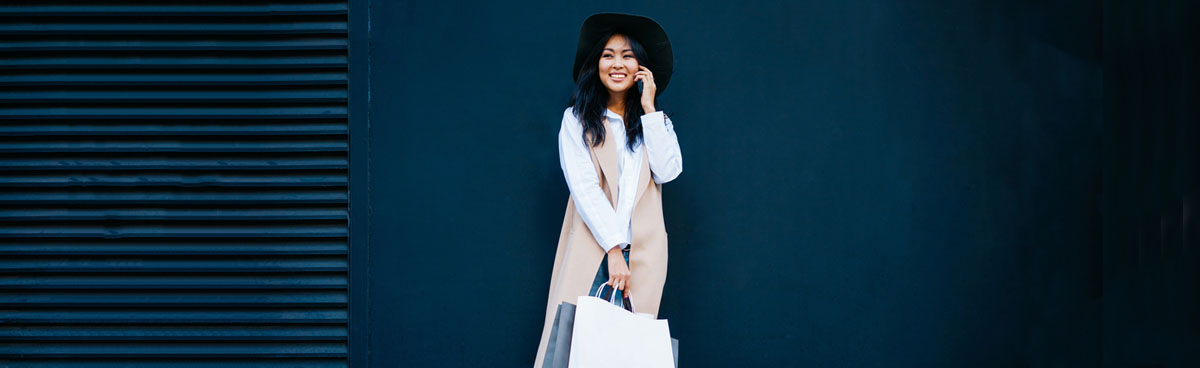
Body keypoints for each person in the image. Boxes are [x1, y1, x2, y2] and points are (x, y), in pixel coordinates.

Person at [534, 13, 683, 367]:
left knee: (627, 354)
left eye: (628, 55)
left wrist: (649, 108)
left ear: (641, 68)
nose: (617, 63)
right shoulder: (578, 120)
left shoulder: (654, 125)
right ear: (595, 64)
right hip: (596, 249)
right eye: (608, 54)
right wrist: (614, 250)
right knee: (573, 349)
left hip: (643, 257)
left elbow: (669, 170)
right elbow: (584, 186)